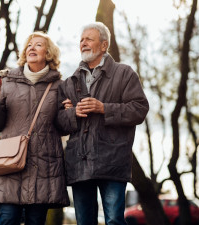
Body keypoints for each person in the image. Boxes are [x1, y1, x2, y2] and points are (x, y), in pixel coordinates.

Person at [56, 22, 149, 225]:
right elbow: (59, 123)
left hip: (113, 161)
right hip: (79, 162)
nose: (83, 43)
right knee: (84, 222)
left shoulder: (124, 74)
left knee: (114, 221)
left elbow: (140, 109)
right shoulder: (69, 82)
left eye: (89, 39)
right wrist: (73, 113)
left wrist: (104, 108)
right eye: (81, 40)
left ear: (104, 45)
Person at [0, 31, 70, 225]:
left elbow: (64, 127)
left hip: (43, 167)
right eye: (29, 45)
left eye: (38, 45)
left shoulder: (60, 86)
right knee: (8, 218)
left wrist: (70, 112)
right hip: (10, 164)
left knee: (35, 220)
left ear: (48, 53)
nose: (32, 47)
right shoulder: (6, 82)